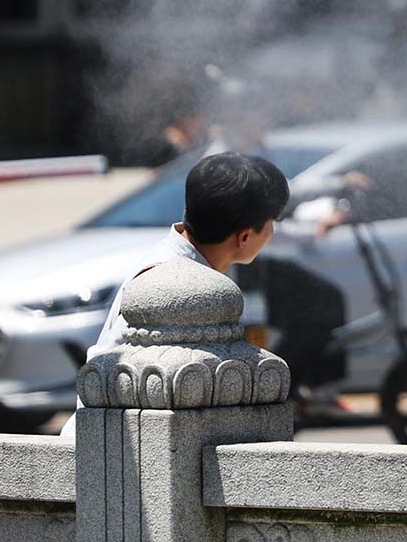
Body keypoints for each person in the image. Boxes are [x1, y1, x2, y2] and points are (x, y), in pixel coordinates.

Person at [59, 151, 289, 435]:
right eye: (270, 222)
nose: (272, 231)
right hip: (111, 450)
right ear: (244, 237)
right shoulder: (169, 283)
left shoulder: (196, 268)